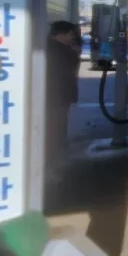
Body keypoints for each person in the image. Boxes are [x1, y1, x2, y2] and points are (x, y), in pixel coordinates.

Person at [45, 20, 81, 182]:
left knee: (58, 131)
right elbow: (70, 68)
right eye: (71, 34)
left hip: (59, 98)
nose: (72, 37)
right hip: (54, 98)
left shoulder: (54, 48)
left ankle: (53, 164)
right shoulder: (55, 51)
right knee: (53, 133)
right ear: (61, 34)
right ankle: (49, 169)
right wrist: (75, 52)